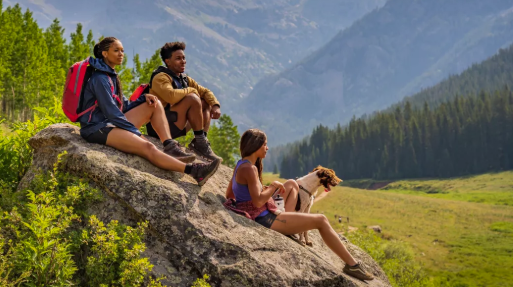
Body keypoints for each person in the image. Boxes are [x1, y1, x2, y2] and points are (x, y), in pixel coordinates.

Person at [224, 129, 374, 281]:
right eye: (265, 144)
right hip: (265, 218)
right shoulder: (250, 168)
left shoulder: (241, 164)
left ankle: (291, 220)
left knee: (292, 183)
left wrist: (251, 193)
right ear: (256, 145)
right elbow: (257, 202)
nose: (267, 148)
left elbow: (229, 194)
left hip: (263, 213)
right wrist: (272, 187)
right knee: (321, 220)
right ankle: (353, 265)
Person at [78, 37, 221, 186]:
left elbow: (123, 105)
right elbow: (112, 113)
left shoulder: (110, 75)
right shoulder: (100, 78)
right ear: (105, 54)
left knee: (155, 102)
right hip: (97, 128)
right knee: (148, 147)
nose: (121, 54)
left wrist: (144, 97)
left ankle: (170, 146)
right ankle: (195, 171)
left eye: (122, 50)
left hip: (109, 123)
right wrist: (135, 132)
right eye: (116, 50)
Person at [146, 41, 221, 161]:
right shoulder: (160, 77)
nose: (183, 61)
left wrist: (215, 105)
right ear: (167, 61)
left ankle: (200, 141)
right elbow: (171, 96)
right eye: (178, 58)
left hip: (177, 123)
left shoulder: (183, 79)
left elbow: (206, 92)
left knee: (204, 102)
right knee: (192, 98)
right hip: (160, 127)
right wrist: (191, 90)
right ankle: (200, 142)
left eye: (184, 58)